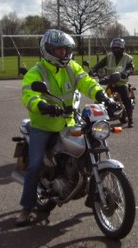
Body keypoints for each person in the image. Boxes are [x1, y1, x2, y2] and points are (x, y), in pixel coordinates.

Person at [16, 29, 119, 227]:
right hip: (44, 125)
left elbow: (87, 83)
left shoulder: (72, 67)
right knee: (35, 164)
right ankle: (26, 208)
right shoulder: (36, 72)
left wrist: (105, 98)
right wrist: (43, 106)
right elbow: (29, 96)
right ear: (48, 50)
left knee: (91, 150)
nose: (63, 53)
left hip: (69, 122)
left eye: (65, 49)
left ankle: (92, 195)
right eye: (58, 50)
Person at [90, 38, 135, 127]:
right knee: (100, 97)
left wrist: (126, 73)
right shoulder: (109, 57)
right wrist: (93, 70)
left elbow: (131, 68)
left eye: (118, 48)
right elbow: (99, 64)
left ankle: (130, 120)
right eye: (114, 48)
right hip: (110, 82)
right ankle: (96, 119)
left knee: (126, 99)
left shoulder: (128, 58)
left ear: (122, 48)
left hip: (121, 83)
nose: (115, 50)